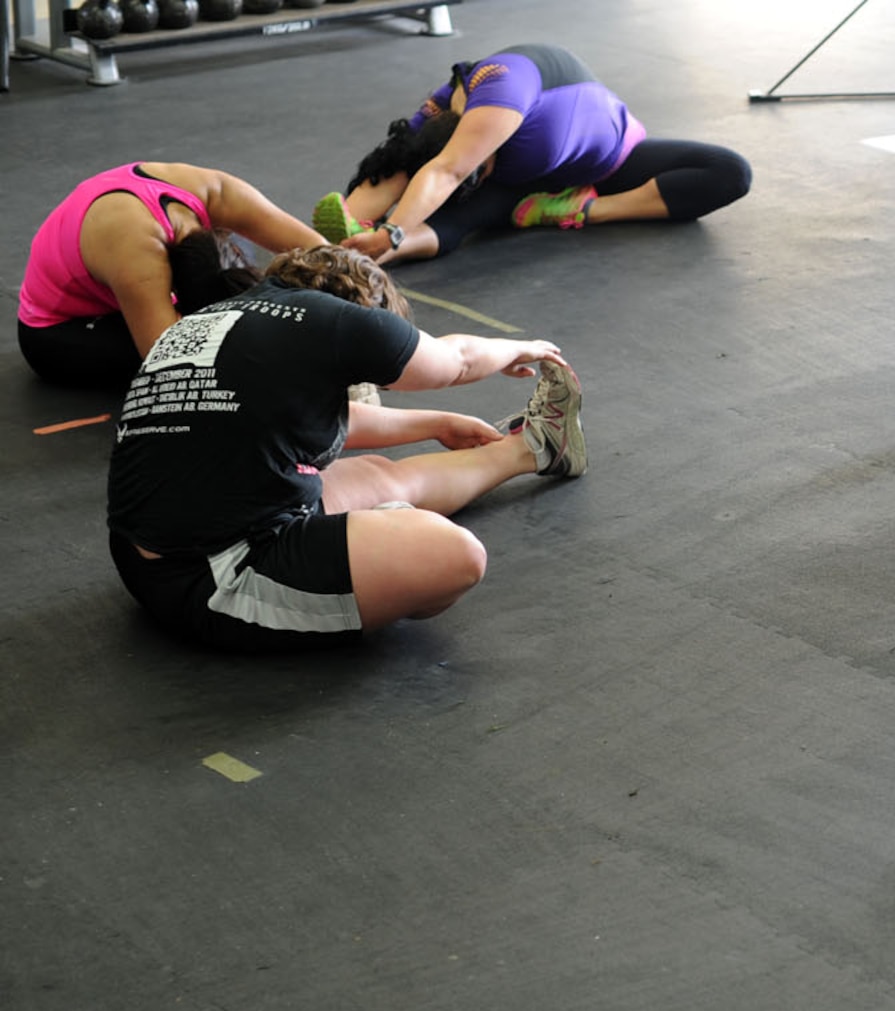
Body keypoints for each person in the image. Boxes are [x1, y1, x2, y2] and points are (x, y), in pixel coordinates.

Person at [106, 246, 587, 651]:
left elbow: (287, 422)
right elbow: (455, 361)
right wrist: (521, 347)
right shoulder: (342, 323)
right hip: (216, 580)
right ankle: (362, 566)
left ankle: (533, 449)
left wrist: (436, 423)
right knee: (454, 556)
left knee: (378, 474)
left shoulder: (216, 321)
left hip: (147, 556)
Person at [316, 42, 752, 263]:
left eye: (477, 169)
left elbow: (447, 171)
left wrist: (390, 230)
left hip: (611, 162)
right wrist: (344, 232)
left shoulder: (499, 92)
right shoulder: (441, 106)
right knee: (456, 221)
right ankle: (357, 261)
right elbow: (396, 163)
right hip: (519, 191)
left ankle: (575, 211)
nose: (475, 177)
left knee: (728, 172)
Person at [18, 162, 325, 390]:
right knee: (222, 370)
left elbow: (325, 257)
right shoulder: (138, 258)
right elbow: (169, 363)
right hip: (57, 329)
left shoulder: (217, 193)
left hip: (129, 276)